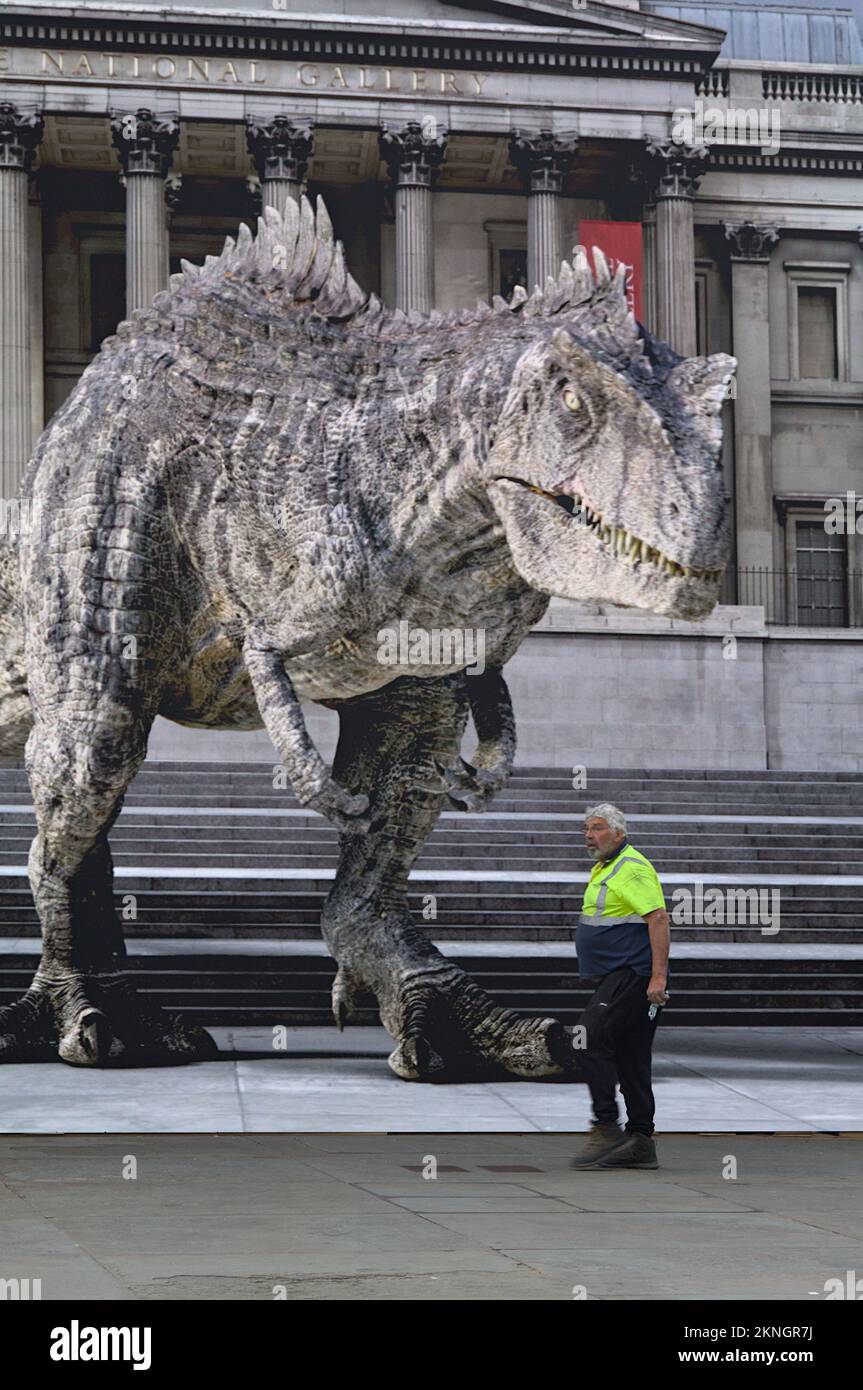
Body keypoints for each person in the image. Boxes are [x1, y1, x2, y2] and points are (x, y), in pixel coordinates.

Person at [570, 803, 670, 1170]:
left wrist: (658, 977)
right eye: (586, 829)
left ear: (618, 833)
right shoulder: (607, 867)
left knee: (585, 1036)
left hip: (634, 974)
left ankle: (606, 1125)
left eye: (596, 829)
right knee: (631, 1054)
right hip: (622, 975)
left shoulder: (631, 868)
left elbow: (658, 918)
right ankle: (642, 1141)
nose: (589, 836)